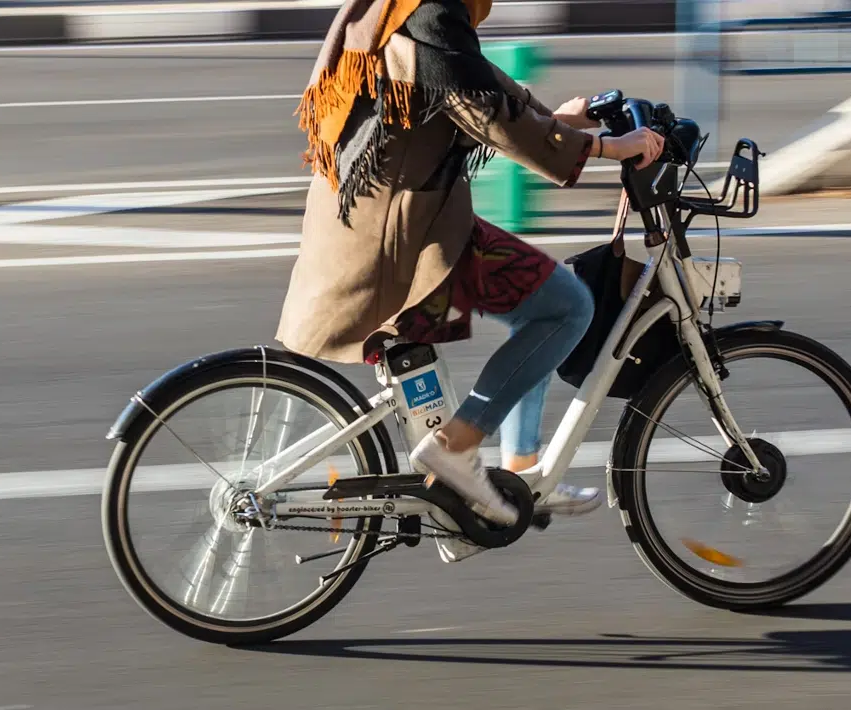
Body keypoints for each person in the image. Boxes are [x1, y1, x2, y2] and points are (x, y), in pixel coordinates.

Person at [276, 0, 665, 549]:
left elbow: (477, 79)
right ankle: (455, 447)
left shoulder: (405, 10)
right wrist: (603, 146)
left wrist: (555, 120)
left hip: (385, 217)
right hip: (403, 234)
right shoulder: (431, 12)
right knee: (566, 306)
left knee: (542, 304)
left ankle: (520, 474)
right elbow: (483, 111)